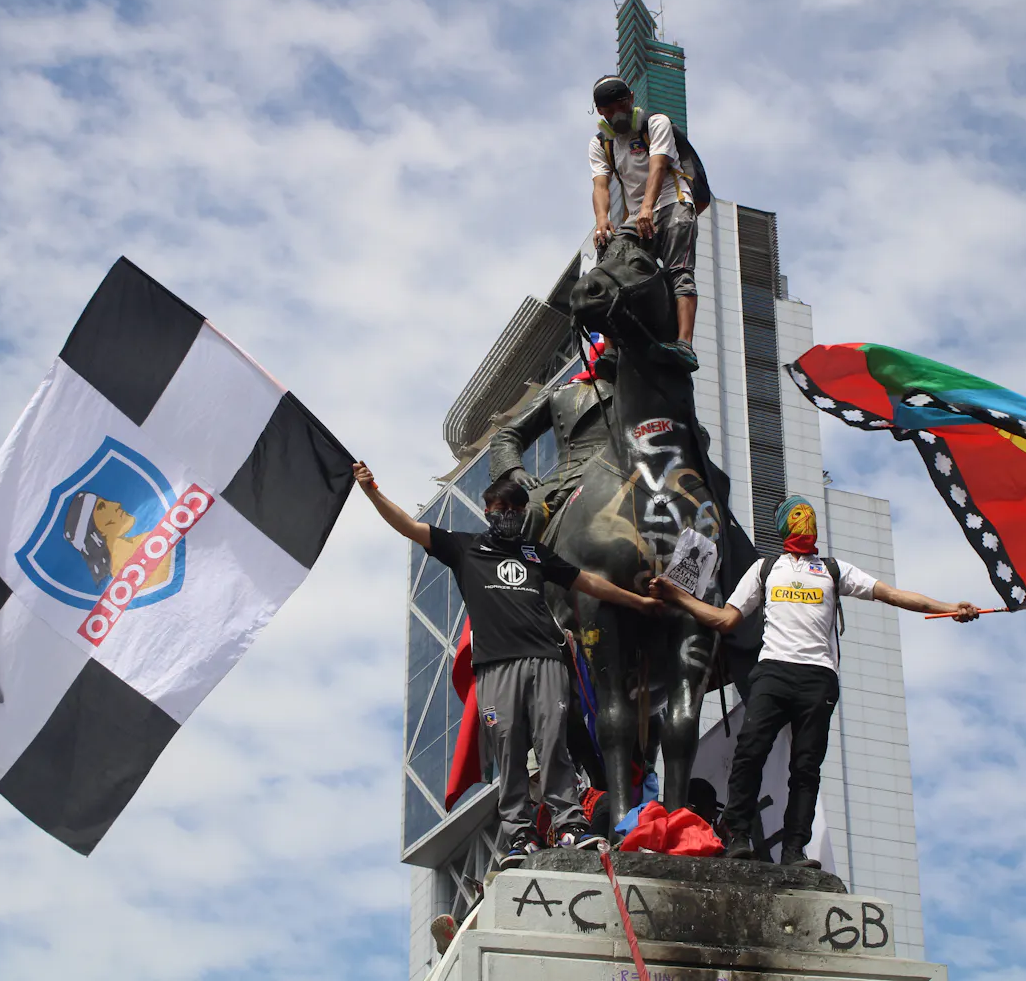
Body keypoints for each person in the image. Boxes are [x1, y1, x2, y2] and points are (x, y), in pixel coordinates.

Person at [353, 461, 663, 868]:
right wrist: (372, 489)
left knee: (553, 741)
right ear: (487, 512)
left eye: (512, 510)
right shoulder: (464, 547)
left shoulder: (536, 554)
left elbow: (588, 582)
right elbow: (409, 527)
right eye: (497, 509)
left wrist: (639, 602)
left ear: (521, 514)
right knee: (509, 746)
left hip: (545, 660)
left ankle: (570, 822)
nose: (504, 516)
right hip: (496, 666)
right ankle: (519, 833)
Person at [649, 495, 980, 868]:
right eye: (796, 515)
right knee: (749, 753)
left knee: (805, 768)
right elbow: (726, 620)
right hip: (773, 671)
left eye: (809, 514)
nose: (805, 519)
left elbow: (893, 594)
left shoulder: (835, 570)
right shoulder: (766, 569)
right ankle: (738, 836)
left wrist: (950, 607)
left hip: (817, 678)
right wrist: (677, 595)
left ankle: (794, 851)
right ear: (783, 526)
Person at [589, 75, 699, 371]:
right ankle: (610, 351)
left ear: (632, 98)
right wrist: (603, 221)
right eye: (611, 109)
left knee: (680, 272)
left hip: (671, 203)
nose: (619, 112)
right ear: (601, 112)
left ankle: (685, 345)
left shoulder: (656, 123)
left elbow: (659, 165)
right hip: (638, 215)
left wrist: (648, 207)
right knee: (609, 268)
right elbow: (601, 185)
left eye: (623, 103)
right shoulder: (602, 143)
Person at [488, 338, 613, 542]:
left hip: (631, 462)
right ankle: (524, 570)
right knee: (528, 512)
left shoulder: (643, 387)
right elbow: (507, 436)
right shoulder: (561, 393)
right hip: (571, 472)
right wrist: (513, 470)